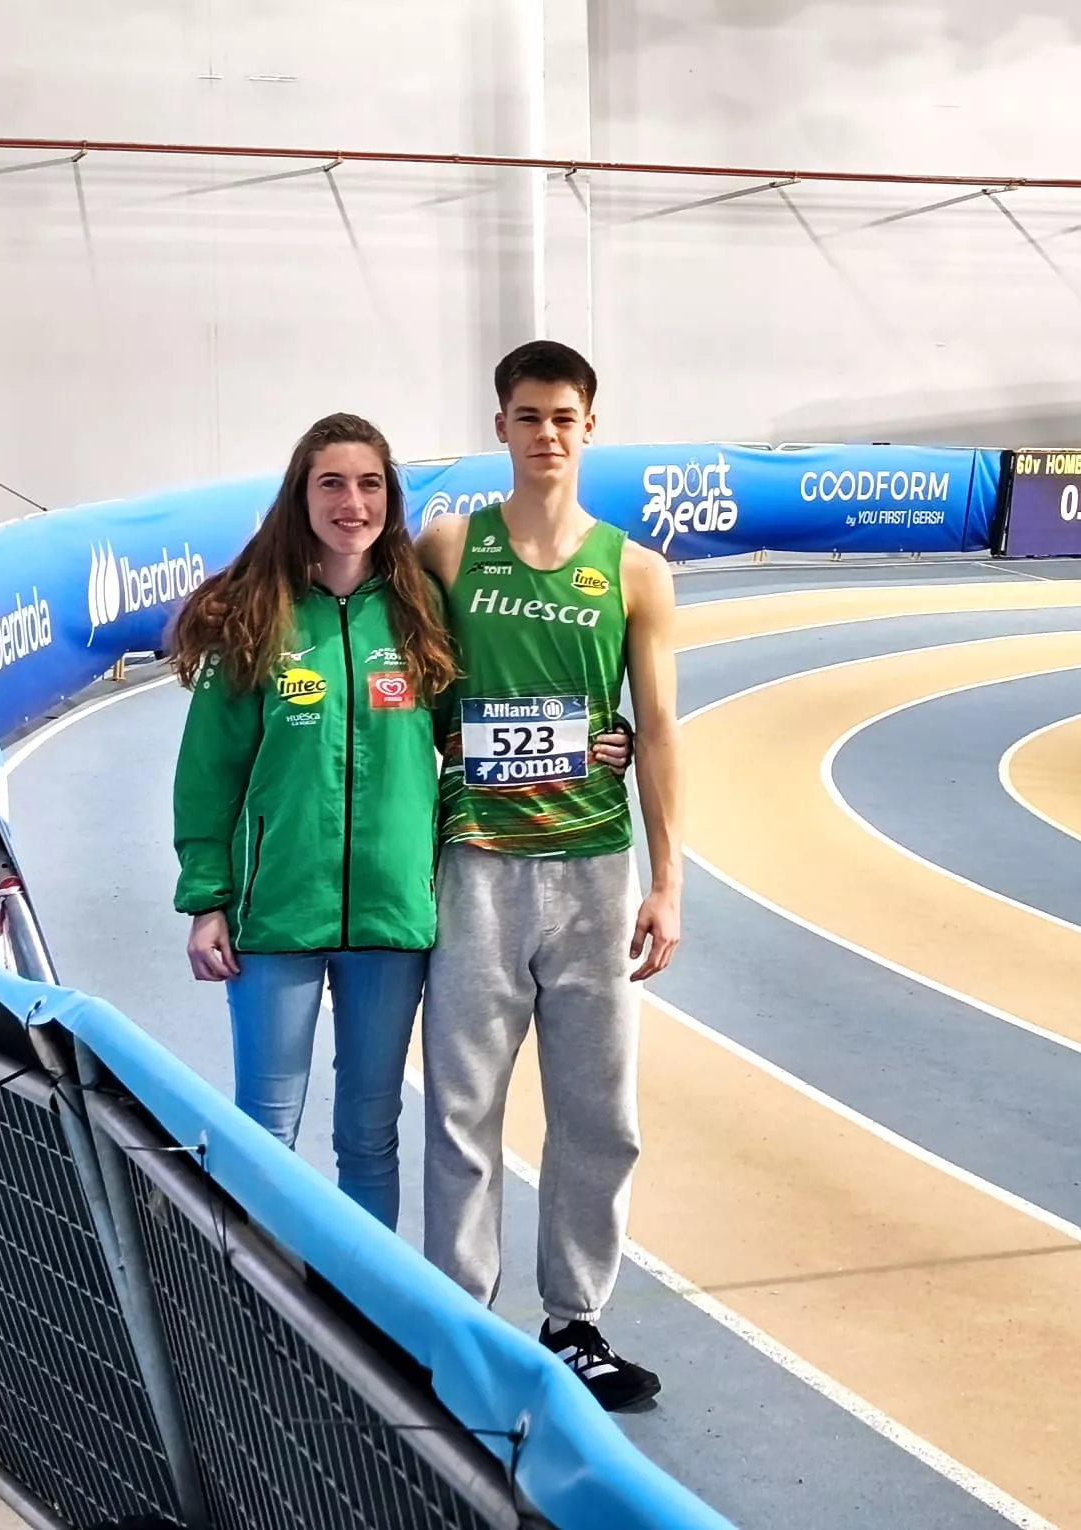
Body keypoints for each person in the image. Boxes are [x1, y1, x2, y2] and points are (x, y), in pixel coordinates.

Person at [416, 340, 682, 1412]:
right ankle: (461, 1319)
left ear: (590, 427)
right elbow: (405, 690)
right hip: (476, 865)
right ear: (501, 429)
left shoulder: (632, 571)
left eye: (564, 417)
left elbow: (657, 729)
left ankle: (576, 1322)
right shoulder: (445, 550)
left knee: (598, 1113)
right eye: (528, 416)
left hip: (593, 873)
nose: (547, 435)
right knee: (460, 1110)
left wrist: (670, 884)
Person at [169, 414, 456, 1228]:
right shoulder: (256, 616)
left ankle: (361, 1318)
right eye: (331, 482)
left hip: (393, 920)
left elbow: (467, 735)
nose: (351, 501)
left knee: (370, 1134)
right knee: (264, 1133)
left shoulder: (418, 612)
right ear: (301, 495)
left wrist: (596, 743)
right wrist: (207, 899)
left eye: (369, 484)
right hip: (275, 916)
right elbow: (208, 776)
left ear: (389, 499)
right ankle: (256, 1319)